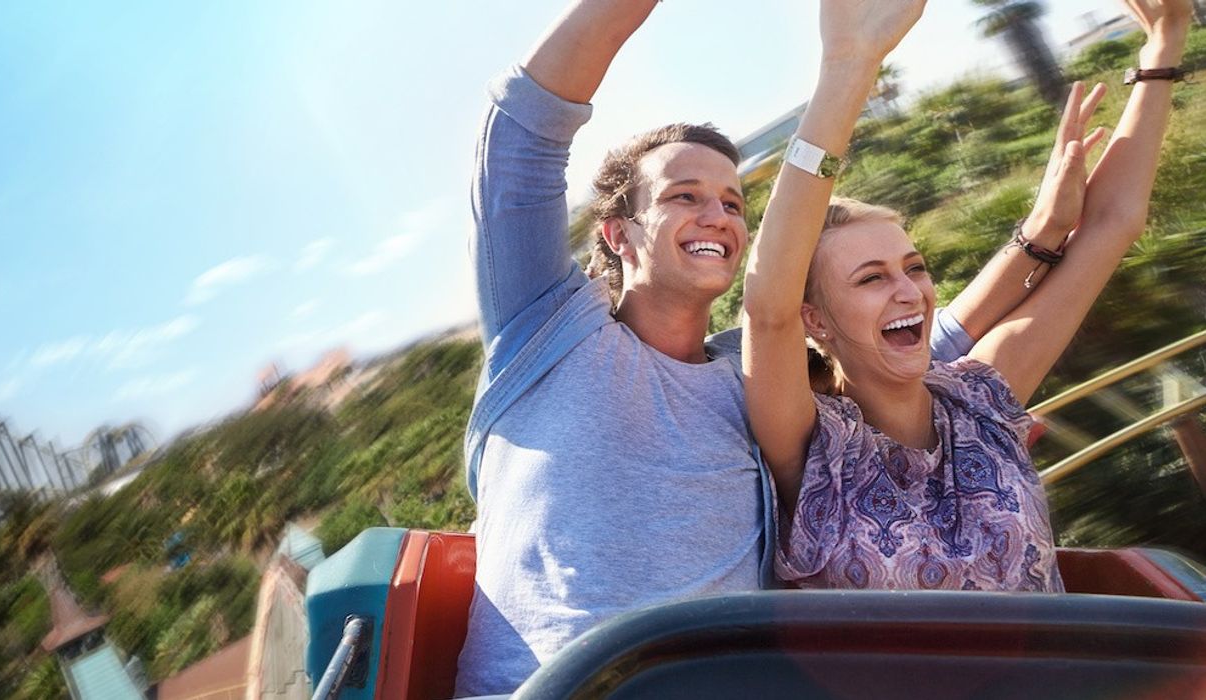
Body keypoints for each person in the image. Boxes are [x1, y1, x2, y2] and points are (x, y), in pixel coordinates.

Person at [457, 0, 1100, 693]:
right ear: (617, 233)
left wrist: (1039, 231)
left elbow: (908, 344)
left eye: (733, 203)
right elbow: (521, 130)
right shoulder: (548, 330)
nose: (718, 215)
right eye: (684, 196)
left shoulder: (752, 373)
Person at [741, 0, 1193, 591]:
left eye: (915, 267)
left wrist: (1163, 47)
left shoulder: (981, 396)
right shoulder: (812, 445)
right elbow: (766, 308)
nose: (909, 292)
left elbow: (1111, 227)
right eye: (871, 278)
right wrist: (848, 69)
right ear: (814, 320)